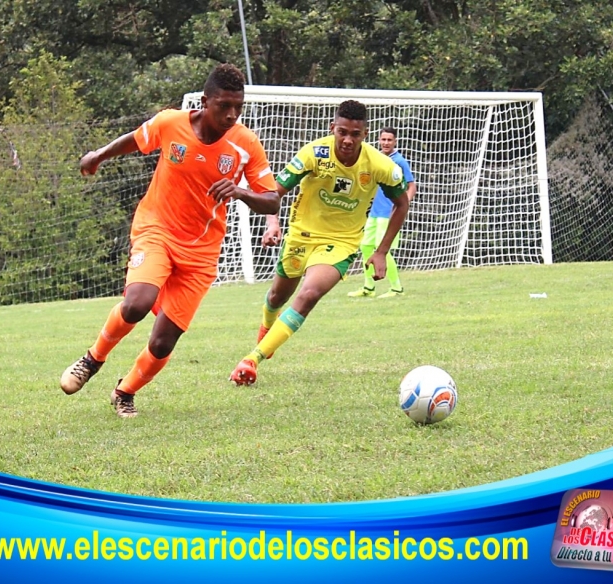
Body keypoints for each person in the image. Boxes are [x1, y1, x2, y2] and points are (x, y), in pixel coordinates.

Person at [60, 63, 280, 417]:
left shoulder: (245, 144)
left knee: (163, 342)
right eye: (224, 106)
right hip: (157, 228)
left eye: (238, 107)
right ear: (205, 101)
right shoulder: (170, 123)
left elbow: (271, 198)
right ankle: (92, 359)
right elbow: (136, 139)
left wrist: (239, 191)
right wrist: (99, 155)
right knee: (137, 303)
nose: (232, 114)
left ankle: (125, 391)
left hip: (202, 252)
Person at [229, 100, 410, 386]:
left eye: (356, 134)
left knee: (309, 293)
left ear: (365, 134)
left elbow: (402, 203)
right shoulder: (313, 153)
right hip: (301, 234)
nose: (348, 140)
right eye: (342, 132)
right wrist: (273, 224)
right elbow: (274, 192)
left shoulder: (380, 165)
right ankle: (267, 327)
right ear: (332, 129)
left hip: (341, 242)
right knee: (277, 297)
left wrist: (381, 251)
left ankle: (252, 359)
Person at [348, 127, 416, 298]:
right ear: (379, 140)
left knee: (382, 250)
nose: (386, 143)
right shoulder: (375, 159)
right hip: (373, 212)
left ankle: (396, 288)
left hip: (388, 213)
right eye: (383, 139)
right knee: (365, 247)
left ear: (395, 142)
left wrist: (403, 205)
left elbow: (411, 185)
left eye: (389, 140)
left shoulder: (399, 161)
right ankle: (368, 287)